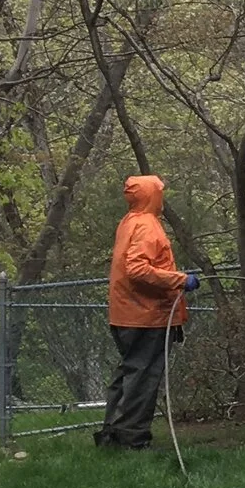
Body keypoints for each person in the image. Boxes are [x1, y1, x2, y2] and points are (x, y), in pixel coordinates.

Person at [97, 173, 197, 450]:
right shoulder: (146, 226)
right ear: (151, 196)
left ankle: (112, 435)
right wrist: (180, 280)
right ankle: (132, 439)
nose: (162, 197)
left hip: (126, 313)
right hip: (145, 316)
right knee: (142, 378)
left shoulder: (129, 222)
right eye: (159, 192)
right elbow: (138, 270)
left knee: (129, 373)